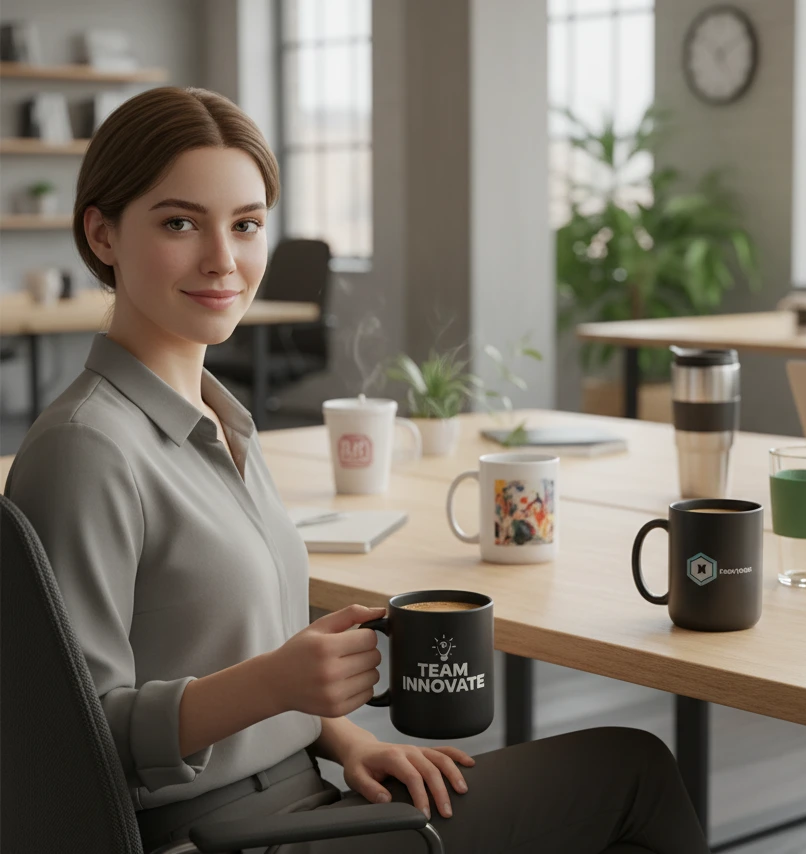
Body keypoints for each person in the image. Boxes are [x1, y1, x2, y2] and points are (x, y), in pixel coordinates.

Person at [3, 87, 708, 854]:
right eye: (180, 223)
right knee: (632, 773)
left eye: (245, 225)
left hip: (307, 795)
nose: (223, 259)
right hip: (218, 837)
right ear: (102, 234)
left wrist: (341, 736)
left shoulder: (223, 419)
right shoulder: (87, 449)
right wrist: (278, 685)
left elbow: (237, 654)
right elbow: (66, 749)